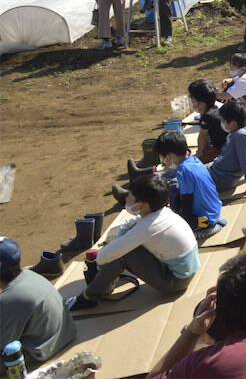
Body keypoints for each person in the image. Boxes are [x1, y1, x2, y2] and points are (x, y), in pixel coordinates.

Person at [66, 174, 200, 311]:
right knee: (123, 247)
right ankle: (103, 282)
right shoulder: (162, 211)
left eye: (130, 195)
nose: (126, 197)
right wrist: (121, 236)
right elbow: (132, 222)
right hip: (186, 272)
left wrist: (103, 260)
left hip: (175, 283)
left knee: (123, 254)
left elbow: (103, 257)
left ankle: (89, 297)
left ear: (140, 205)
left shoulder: (147, 227)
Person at [0, 237, 76, 363]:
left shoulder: (10, 299)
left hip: (40, 350)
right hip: (63, 334)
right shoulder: (29, 275)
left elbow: (4, 346)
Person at [156, 132, 225, 239]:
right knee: (175, 187)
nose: (164, 162)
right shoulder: (194, 160)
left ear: (170, 156)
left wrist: (182, 221)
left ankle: (206, 229)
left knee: (173, 190)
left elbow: (187, 201)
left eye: (163, 158)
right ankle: (212, 222)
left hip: (204, 221)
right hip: (214, 211)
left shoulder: (183, 170)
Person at [209, 99, 246, 199]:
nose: (222, 124)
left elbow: (245, 162)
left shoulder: (239, 136)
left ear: (233, 123)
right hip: (218, 170)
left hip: (221, 179)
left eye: (223, 121)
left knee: (185, 178)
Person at [186, 79, 226, 164]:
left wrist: (199, 153)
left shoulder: (207, 117)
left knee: (197, 163)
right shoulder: (215, 108)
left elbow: (202, 137)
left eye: (191, 98)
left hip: (221, 149)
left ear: (200, 102)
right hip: (225, 145)